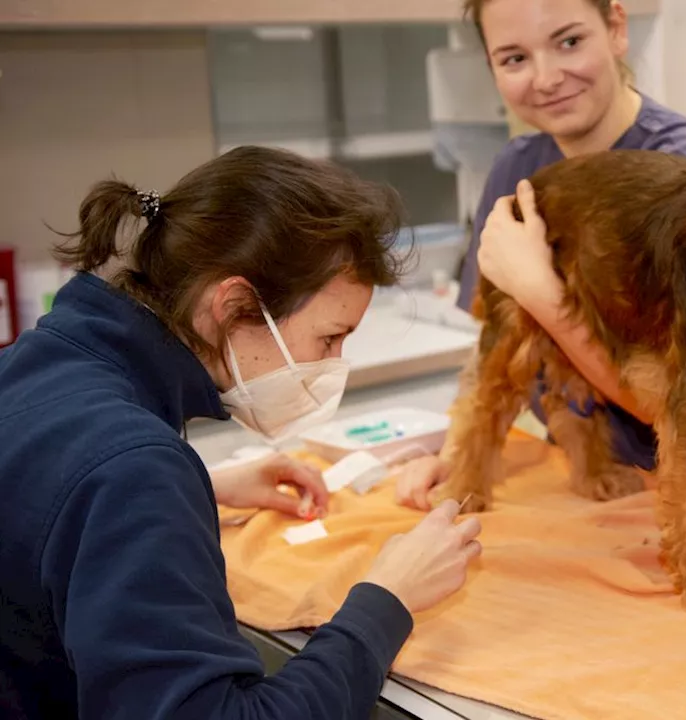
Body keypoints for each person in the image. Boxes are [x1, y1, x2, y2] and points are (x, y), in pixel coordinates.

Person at [0, 146, 484, 719]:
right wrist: (386, 602)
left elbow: (52, 489)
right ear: (233, 303)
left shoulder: (46, 360)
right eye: (329, 339)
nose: (334, 365)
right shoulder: (132, 470)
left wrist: (203, 481)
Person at [397, 0, 686, 507]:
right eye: (514, 59)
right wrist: (457, 453)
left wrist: (543, 294)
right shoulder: (516, 170)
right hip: (581, 485)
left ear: (616, 27)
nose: (546, 78)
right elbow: (491, 348)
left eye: (569, 42)